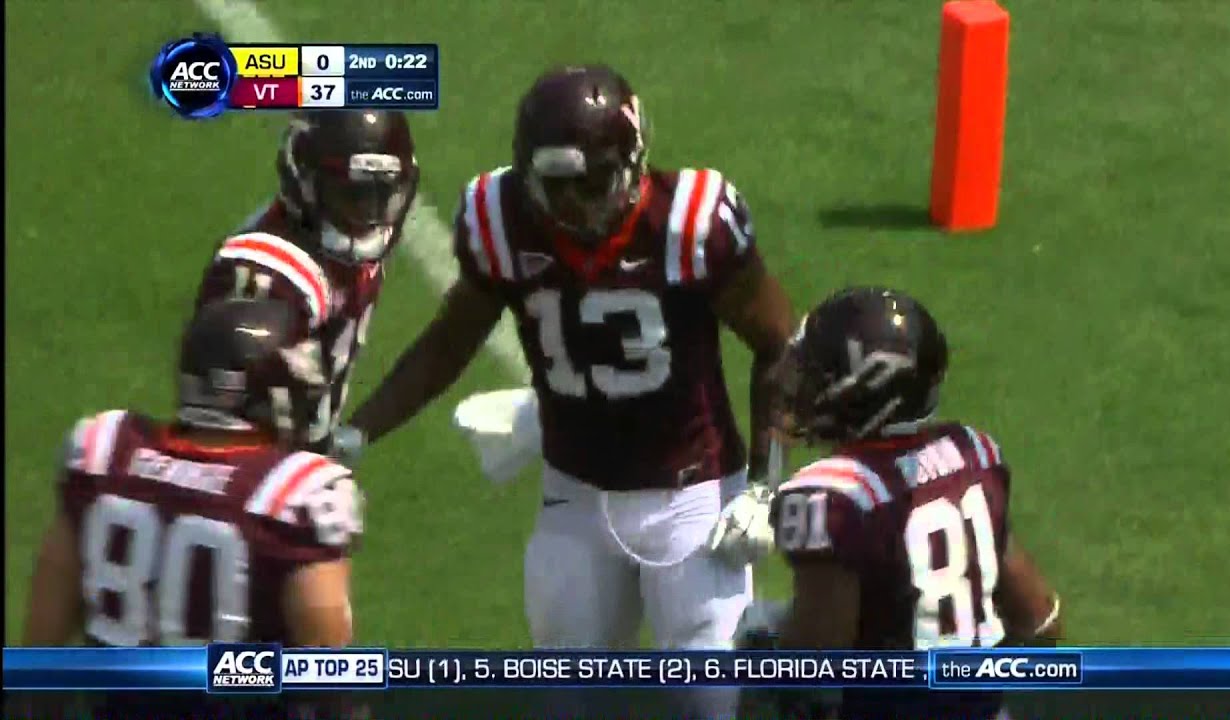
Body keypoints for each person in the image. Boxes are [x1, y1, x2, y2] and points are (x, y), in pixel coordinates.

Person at [342, 64, 795, 717]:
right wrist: (359, 429)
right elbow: (451, 340)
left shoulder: (688, 220)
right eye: (561, 186)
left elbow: (780, 344)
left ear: (634, 160)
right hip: (576, 490)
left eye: (597, 182)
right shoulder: (502, 218)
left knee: (706, 699)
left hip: (691, 496)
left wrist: (764, 486)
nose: (582, 203)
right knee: (567, 695)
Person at [760, 287, 1062, 720]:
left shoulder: (830, 495)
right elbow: (1042, 621)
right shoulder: (972, 453)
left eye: (818, 375)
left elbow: (813, 670)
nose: (799, 386)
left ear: (862, 394)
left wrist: (763, 652)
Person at [22, 299, 362, 650]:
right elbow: (326, 670)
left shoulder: (105, 453)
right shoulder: (292, 493)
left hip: (104, 700)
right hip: (231, 704)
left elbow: (41, 644)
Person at [193, 109, 419, 454]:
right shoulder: (266, 275)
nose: (368, 214)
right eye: (353, 196)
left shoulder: (359, 234)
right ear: (305, 183)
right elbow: (227, 427)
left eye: (382, 193)